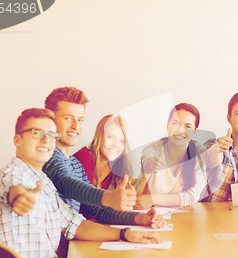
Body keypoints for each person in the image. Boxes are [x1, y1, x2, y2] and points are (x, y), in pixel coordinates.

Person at [0, 108, 163, 258]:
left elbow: (75, 224)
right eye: (37, 133)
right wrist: (20, 199)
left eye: (51, 135)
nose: (46, 141)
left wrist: (125, 233)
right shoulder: (12, 177)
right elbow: (15, 190)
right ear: (17, 140)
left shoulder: (43, 181)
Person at [35, 86, 163, 227]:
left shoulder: (75, 164)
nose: (76, 126)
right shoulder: (46, 157)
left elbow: (95, 209)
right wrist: (108, 197)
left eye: (81, 120)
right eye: (68, 118)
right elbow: (66, 183)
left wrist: (140, 218)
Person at [135, 103, 207, 207]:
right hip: (148, 216)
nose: (180, 131)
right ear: (167, 125)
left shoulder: (199, 153)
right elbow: (147, 160)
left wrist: (153, 199)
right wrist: (151, 165)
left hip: (183, 217)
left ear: (195, 131)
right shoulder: (153, 150)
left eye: (188, 126)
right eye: (175, 123)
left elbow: (193, 196)